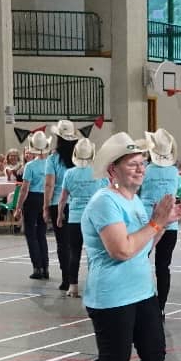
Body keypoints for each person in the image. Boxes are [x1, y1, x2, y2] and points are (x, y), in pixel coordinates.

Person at [44, 133, 181, 361]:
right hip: (112, 297)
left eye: (142, 164)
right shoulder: (104, 202)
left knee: (154, 355)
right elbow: (121, 250)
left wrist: (163, 222)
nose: (140, 169)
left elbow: (143, 246)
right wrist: (155, 223)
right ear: (112, 170)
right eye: (132, 164)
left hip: (141, 291)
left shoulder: (132, 199)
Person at [57, 137, 108, 298]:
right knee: (94, 253)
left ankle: (73, 286)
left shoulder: (69, 173)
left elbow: (63, 198)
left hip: (74, 219)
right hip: (94, 219)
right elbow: (107, 195)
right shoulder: (99, 173)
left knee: (74, 253)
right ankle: (94, 285)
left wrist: (59, 215)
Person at [139, 129, 181, 316]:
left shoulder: (145, 170)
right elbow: (177, 192)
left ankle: (140, 299)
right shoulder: (174, 172)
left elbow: (137, 192)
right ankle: (161, 306)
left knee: (140, 260)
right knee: (163, 266)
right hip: (170, 222)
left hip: (147, 221)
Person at [45, 120, 80, 291]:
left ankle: (66, 278)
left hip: (57, 202)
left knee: (62, 243)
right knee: (77, 243)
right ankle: (75, 277)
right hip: (77, 204)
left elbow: (49, 185)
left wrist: (45, 207)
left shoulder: (53, 159)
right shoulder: (79, 159)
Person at [18, 131, 52, 280]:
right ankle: (45, 267)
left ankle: (37, 267)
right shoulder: (52, 164)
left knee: (31, 234)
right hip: (46, 198)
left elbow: (25, 188)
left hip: (32, 199)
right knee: (42, 234)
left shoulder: (30, 166)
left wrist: (18, 206)